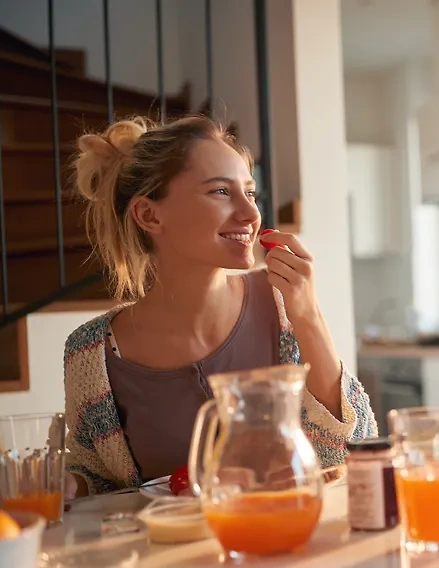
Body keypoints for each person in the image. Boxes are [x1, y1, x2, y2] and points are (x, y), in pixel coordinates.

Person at [63, 115, 377, 496]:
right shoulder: (90, 353)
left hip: (292, 540)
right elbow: (94, 477)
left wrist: (308, 316)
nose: (250, 215)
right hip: (173, 553)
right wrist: (60, 485)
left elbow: (356, 451)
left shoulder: (282, 302)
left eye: (250, 193)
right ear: (149, 214)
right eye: (221, 192)